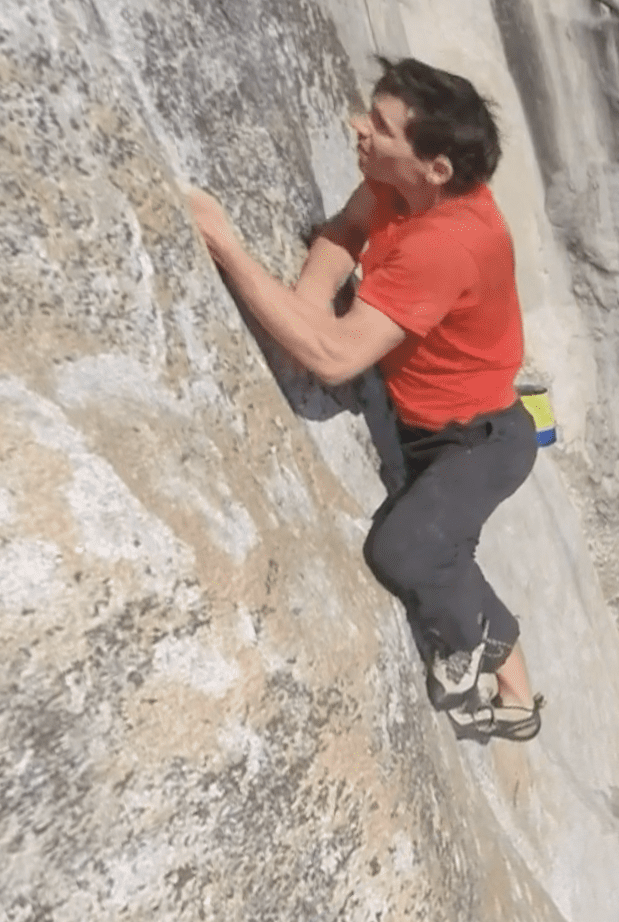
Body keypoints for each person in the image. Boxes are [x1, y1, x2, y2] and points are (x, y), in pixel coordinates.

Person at [185, 57, 543, 743]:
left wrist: (225, 245)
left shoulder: (448, 243)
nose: (359, 128)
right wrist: (307, 304)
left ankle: (504, 681)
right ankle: (504, 686)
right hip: (438, 423)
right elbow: (346, 232)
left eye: (380, 127)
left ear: (436, 167)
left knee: (406, 551)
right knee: (445, 552)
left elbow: (334, 357)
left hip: (480, 441)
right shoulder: (402, 188)